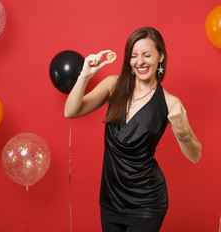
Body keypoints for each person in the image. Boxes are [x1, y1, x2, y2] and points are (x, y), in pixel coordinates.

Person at [64, 27, 202, 232]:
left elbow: (195, 155)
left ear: (160, 56)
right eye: (134, 56)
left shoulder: (170, 102)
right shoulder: (113, 85)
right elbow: (71, 111)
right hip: (111, 198)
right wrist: (85, 75)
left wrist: (183, 132)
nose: (140, 62)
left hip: (147, 201)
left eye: (147, 55)